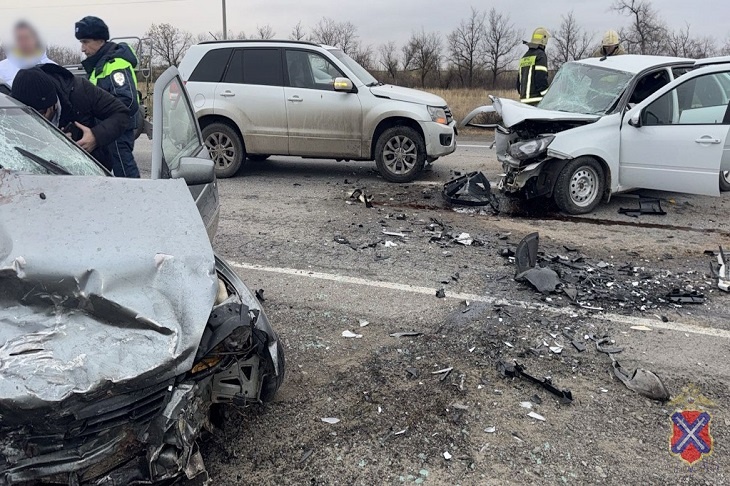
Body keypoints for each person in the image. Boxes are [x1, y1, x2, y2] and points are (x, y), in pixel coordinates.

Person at [11, 65, 130, 171]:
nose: (36, 120)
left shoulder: (81, 91)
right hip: (35, 174)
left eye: (41, 114)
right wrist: (55, 145)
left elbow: (122, 113)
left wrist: (95, 136)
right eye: (29, 116)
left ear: (54, 105)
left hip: (90, 173)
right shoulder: (12, 112)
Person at [75, 16, 140, 178]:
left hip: (116, 133)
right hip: (104, 132)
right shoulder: (99, 66)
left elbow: (128, 102)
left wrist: (101, 128)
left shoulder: (116, 64)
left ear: (100, 40)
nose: (83, 48)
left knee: (126, 177)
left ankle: (135, 201)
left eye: (85, 42)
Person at [0, 21, 54, 87]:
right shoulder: (2, 68)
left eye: (27, 37)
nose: (23, 42)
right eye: (19, 38)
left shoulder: (52, 67)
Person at [516, 28, 551, 106]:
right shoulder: (540, 55)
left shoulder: (524, 57)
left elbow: (518, 83)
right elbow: (541, 78)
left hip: (524, 103)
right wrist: (547, 96)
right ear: (543, 40)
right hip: (537, 102)